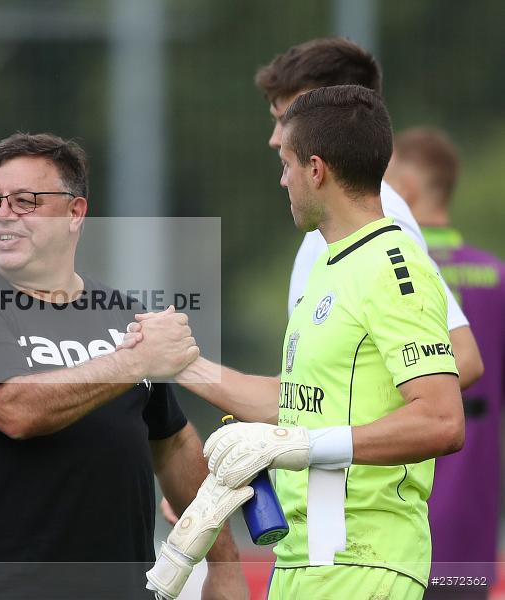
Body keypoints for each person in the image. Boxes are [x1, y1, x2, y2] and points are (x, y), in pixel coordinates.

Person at [155, 86, 464, 599]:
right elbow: (300, 403)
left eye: (287, 163)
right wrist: (184, 366)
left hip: (365, 560)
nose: (283, 179)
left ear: (316, 170)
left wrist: (298, 446)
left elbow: (440, 419)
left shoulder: (394, 265)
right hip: (303, 560)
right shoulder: (326, 264)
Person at [0, 133, 246, 599]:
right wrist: (134, 361)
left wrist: (224, 564)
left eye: (26, 201)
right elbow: (18, 412)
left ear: (75, 213)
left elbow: (173, 443)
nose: (2, 215)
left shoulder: (122, 314)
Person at [255, 37, 483, 389]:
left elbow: (462, 358)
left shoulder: (380, 214)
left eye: (287, 118)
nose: (275, 138)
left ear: (334, 110)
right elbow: (315, 389)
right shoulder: (328, 221)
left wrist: (344, 437)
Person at [386, 127, 505, 599]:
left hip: (392, 506)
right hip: (472, 511)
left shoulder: (386, 269)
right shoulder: (497, 278)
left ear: (407, 190)